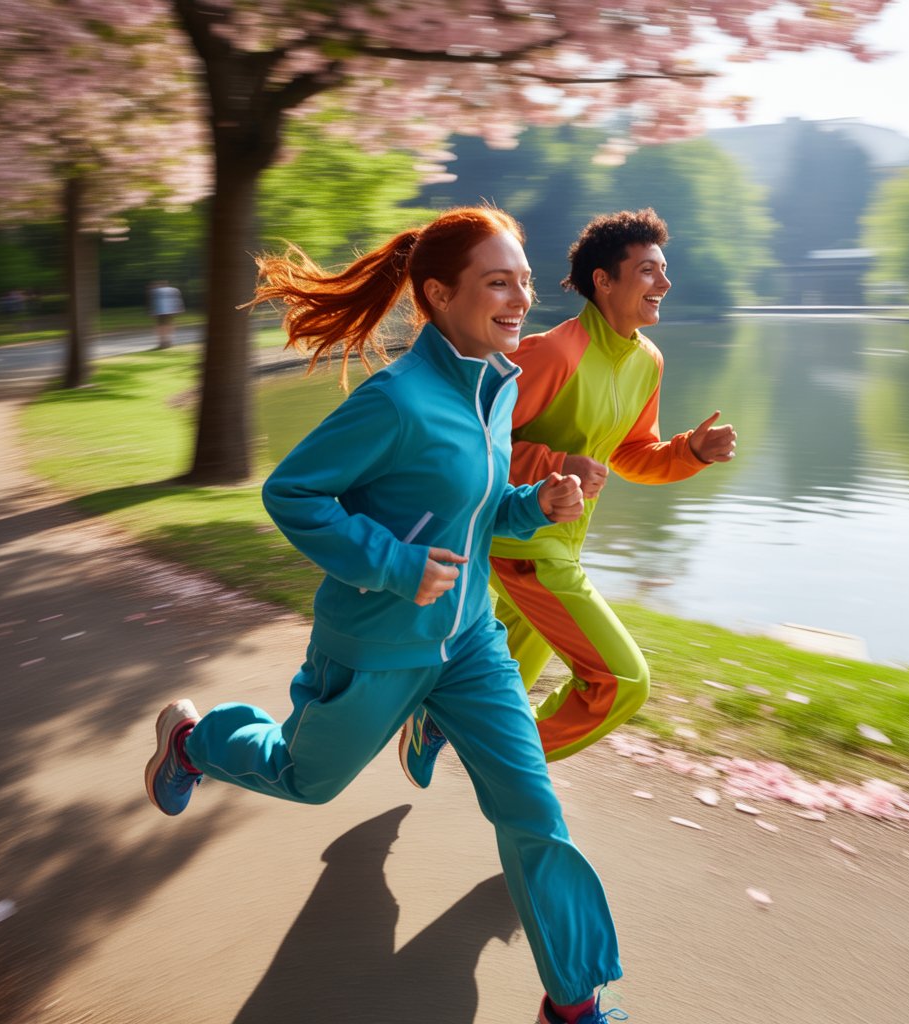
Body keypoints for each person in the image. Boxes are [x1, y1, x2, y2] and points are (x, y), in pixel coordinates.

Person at [144, 206, 629, 1024]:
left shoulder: (495, 389)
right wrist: (396, 567)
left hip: (470, 644)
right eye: (496, 283)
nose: (519, 299)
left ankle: (575, 1004)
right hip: (376, 645)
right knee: (306, 779)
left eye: (525, 282)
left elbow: (469, 515)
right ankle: (194, 741)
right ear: (439, 294)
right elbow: (291, 493)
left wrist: (532, 503)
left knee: (532, 811)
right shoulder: (398, 400)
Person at [401, 208, 736, 788]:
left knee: (497, 675)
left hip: (559, 542)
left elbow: (631, 454)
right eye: (649, 270)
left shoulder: (646, 361)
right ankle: (506, 763)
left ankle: (437, 721)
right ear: (604, 281)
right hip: (519, 540)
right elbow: (475, 442)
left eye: (665, 270)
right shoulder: (552, 353)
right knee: (621, 681)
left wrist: (691, 453)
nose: (665, 282)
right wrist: (558, 465)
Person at [148, 280, 184, 349]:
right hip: (171, 311)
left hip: (160, 312)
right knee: (169, 325)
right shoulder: (174, 290)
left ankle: (162, 342)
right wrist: (180, 309)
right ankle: (169, 341)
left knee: (160, 326)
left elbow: (153, 302)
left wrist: (152, 312)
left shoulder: (155, 291)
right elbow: (178, 300)